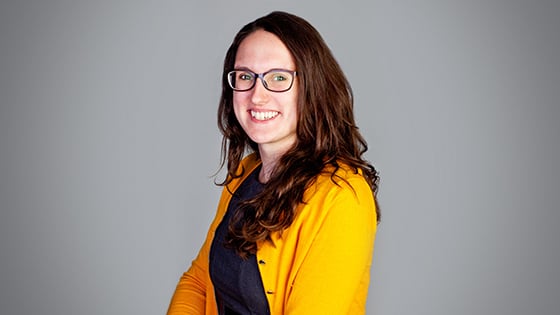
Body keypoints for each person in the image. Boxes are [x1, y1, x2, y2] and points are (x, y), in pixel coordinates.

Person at [168, 11, 380, 315]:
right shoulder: (245, 175)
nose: (257, 95)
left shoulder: (342, 197)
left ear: (313, 87)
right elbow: (198, 283)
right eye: (245, 77)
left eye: (278, 78)